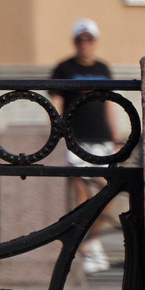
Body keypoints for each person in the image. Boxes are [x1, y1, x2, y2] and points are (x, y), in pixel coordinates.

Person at [51, 19, 122, 275]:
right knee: (82, 192)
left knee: (107, 190)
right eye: (81, 39)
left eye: (89, 39)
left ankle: (91, 240)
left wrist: (116, 136)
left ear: (95, 41)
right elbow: (57, 103)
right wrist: (57, 134)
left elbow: (109, 105)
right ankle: (80, 246)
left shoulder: (103, 68)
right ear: (75, 42)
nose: (85, 44)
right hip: (75, 139)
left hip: (101, 138)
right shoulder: (64, 68)